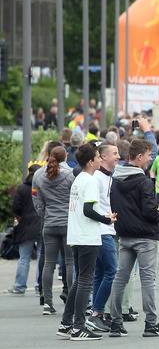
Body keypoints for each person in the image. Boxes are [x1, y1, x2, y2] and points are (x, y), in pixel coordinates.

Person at [108, 139, 159, 338]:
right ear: (140, 157)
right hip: (145, 236)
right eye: (149, 155)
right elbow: (149, 211)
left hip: (125, 234)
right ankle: (150, 324)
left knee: (120, 278)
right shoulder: (143, 181)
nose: (150, 158)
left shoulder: (116, 178)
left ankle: (115, 322)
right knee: (147, 280)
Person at [59, 143, 117, 341]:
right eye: (98, 157)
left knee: (79, 280)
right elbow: (88, 210)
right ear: (91, 161)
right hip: (87, 236)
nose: (101, 160)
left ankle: (67, 323)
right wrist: (107, 219)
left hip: (76, 234)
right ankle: (78, 326)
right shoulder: (90, 181)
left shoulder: (79, 179)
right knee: (86, 281)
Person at [34, 145, 75, 316]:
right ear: (66, 157)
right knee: (70, 262)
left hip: (49, 223)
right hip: (68, 223)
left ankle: (47, 303)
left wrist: (45, 216)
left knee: (49, 264)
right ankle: (72, 302)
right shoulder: (71, 175)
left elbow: (36, 201)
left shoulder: (38, 175)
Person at [86, 144, 122, 333]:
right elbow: (90, 208)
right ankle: (96, 313)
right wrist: (105, 219)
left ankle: (95, 313)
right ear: (104, 157)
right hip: (101, 231)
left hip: (107, 228)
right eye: (115, 154)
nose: (118, 156)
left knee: (100, 273)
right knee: (112, 271)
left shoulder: (110, 176)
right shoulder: (97, 178)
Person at [8, 164, 42, 295]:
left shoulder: (22, 188)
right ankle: (40, 286)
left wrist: (20, 217)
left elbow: (16, 207)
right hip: (41, 225)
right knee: (41, 257)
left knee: (24, 258)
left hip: (25, 226)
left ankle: (19, 286)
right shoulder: (43, 186)